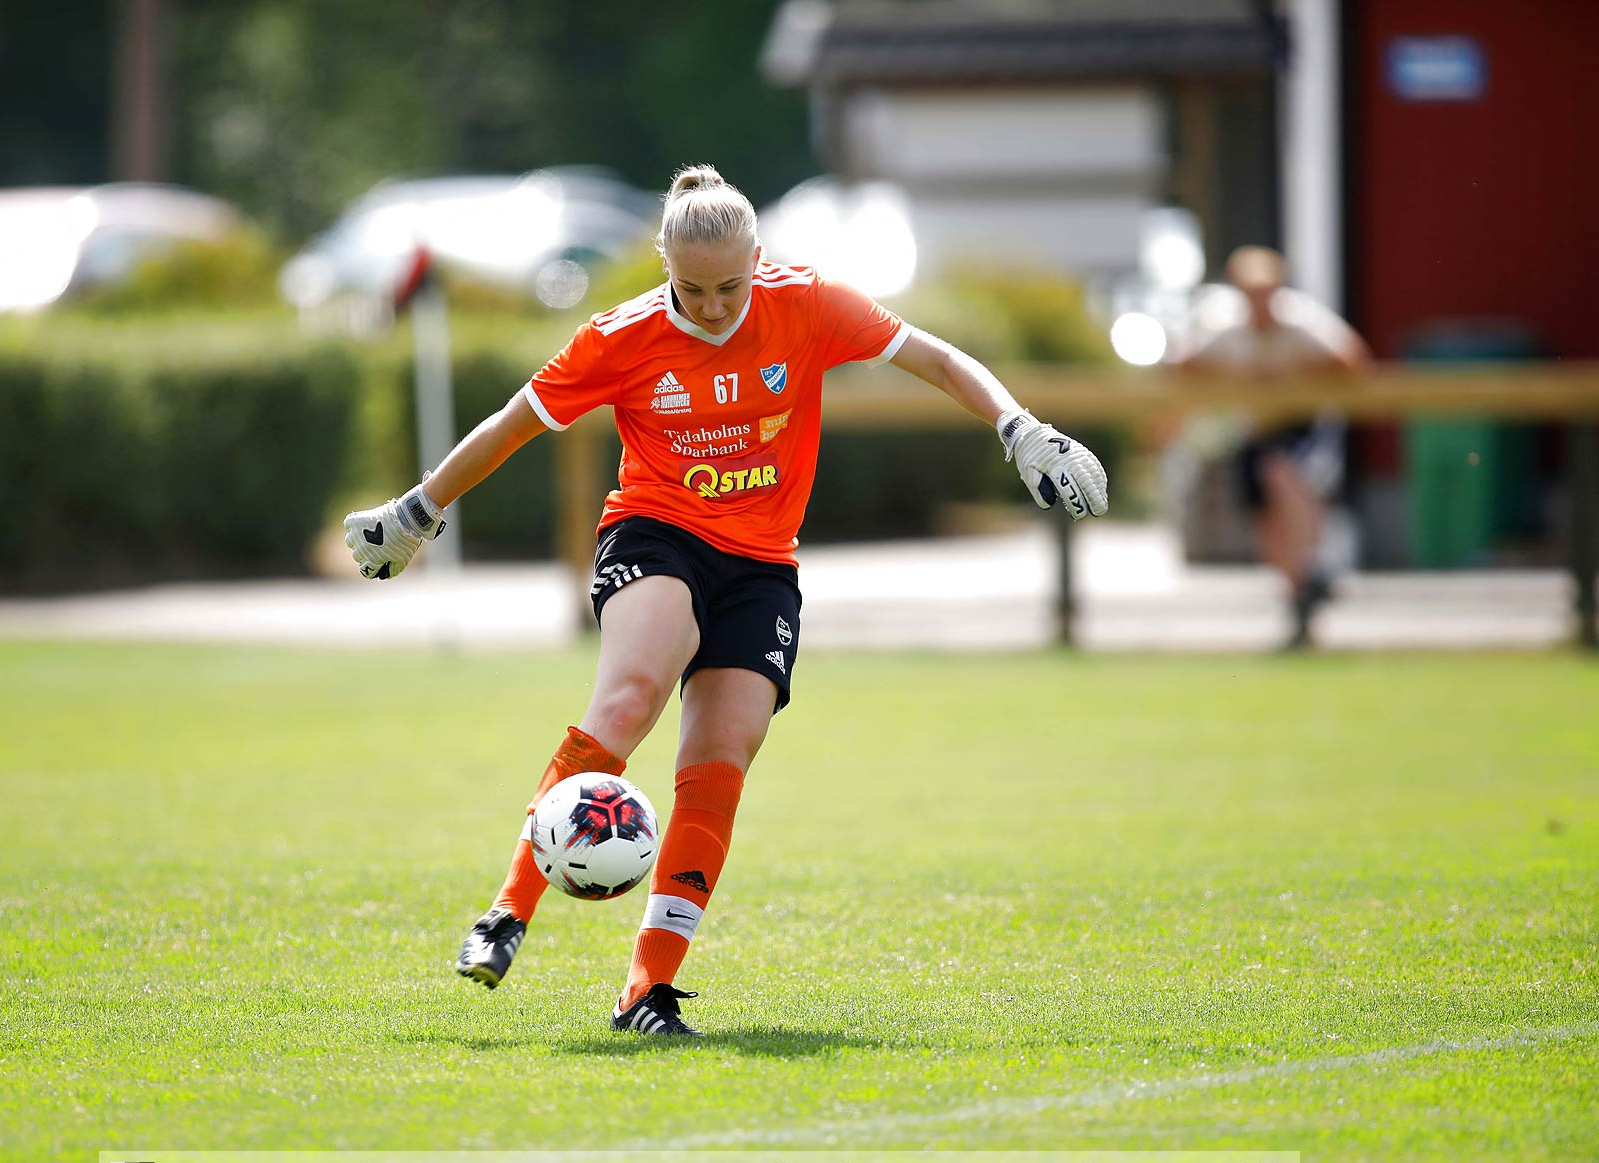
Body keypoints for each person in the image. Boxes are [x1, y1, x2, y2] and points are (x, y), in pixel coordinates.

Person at [343, 166, 1109, 1037]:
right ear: (664, 262)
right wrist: (418, 509)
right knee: (630, 697)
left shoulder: (809, 303)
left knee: (718, 760)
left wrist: (1019, 426)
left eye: (730, 287)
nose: (711, 307)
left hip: (761, 566)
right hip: (655, 534)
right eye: (691, 288)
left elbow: (932, 357)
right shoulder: (622, 335)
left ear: (760, 257)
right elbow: (514, 424)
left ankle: (645, 992)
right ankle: (507, 912)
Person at [1174, 246, 1371, 650]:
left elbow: (1352, 358)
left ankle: (1315, 568)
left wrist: (1297, 376)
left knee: (1282, 478)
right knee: (1264, 520)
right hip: (1255, 429)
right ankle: (1300, 593)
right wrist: (1230, 382)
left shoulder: (1302, 321)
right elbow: (1183, 365)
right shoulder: (1225, 327)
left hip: (1302, 425)